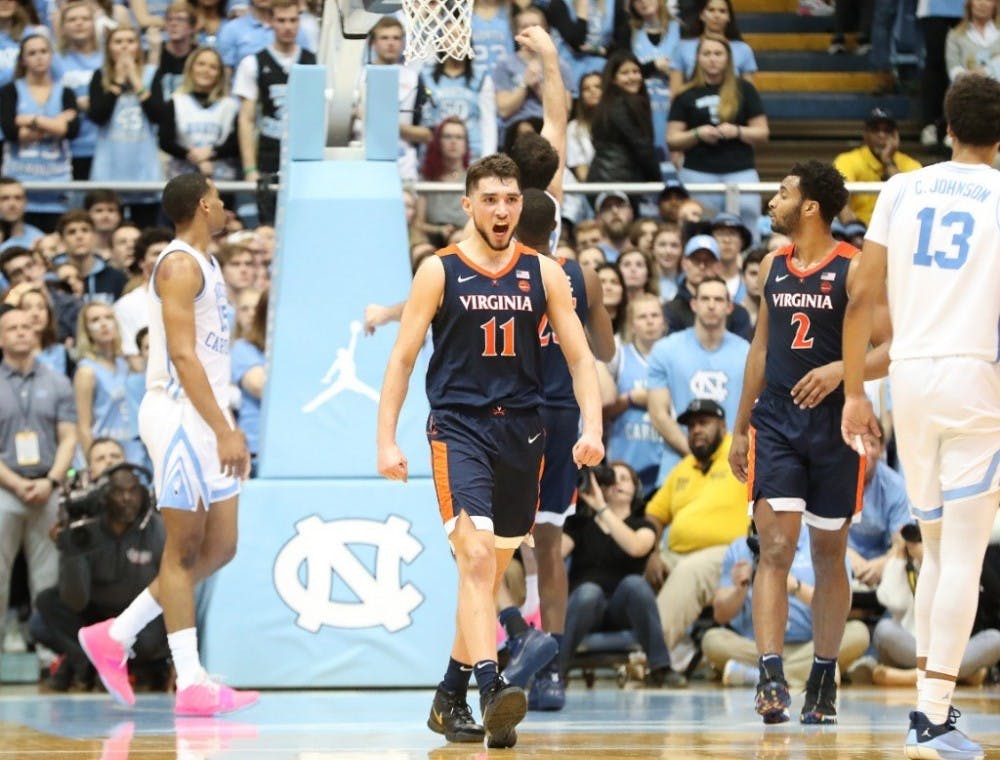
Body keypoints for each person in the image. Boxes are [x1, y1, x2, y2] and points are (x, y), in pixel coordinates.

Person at [376, 154, 604, 749]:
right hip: (459, 428)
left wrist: (593, 428)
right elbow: (402, 358)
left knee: (487, 574)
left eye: (511, 199)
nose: (503, 209)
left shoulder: (544, 273)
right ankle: (489, 686)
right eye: (491, 199)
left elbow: (582, 359)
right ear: (468, 205)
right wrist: (386, 439)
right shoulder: (439, 270)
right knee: (474, 561)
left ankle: (449, 695)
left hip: (524, 434)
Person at [840, 73, 1000, 759]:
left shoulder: (902, 188)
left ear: (946, 124)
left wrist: (854, 390)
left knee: (937, 551)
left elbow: (859, 291)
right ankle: (931, 718)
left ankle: (932, 709)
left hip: (908, 375)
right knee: (962, 554)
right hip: (973, 373)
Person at [77, 173, 256, 717]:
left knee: (221, 546)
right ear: (204, 204)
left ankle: (116, 634)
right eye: (220, 199)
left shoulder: (208, 263)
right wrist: (223, 427)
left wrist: (222, 421)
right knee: (179, 552)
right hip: (179, 414)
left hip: (207, 413)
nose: (225, 206)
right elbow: (181, 357)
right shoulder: (179, 265)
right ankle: (192, 681)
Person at [728, 160, 890, 725]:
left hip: (834, 426)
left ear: (811, 207)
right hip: (775, 421)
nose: (772, 202)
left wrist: (842, 376)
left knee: (828, 554)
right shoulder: (773, 264)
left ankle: (823, 673)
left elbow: (891, 347)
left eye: (782, 193)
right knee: (773, 548)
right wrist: (739, 426)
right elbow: (758, 351)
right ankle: (770, 674)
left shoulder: (854, 267)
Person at [496, 188, 614, 712]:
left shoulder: (501, 273)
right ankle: (553, 673)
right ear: (557, 229)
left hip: (514, 412)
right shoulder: (581, 277)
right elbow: (605, 351)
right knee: (549, 542)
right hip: (565, 415)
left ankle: (516, 634)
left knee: (487, 541)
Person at [30, 439, 168, 692]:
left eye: (115, 455)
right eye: (101, 459)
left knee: (153, 640)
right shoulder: (82, 522)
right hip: (94, 613)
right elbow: (76, 601)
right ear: (93, 474)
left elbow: (170, 585)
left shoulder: (153, 523)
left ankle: (82, 666)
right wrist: (71, 546)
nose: (110, 463)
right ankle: (89, 665)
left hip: (138, 614)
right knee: (43, 612)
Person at [644, 398, 750, 683]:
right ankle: (661, 651)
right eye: (691, 426)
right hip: (675, 553)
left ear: (723, 426)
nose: (696, 431)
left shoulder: (742, 454)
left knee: (688, 572)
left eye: (704, 423)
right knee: (635, 577)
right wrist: (652, 552)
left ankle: (649, 658)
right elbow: (653, 515)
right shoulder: (683, 468)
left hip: (728, 553)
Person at [0, 307, 77, 667]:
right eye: (12, 328)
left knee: (48, 575)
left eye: (27, 327)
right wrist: (15, 482)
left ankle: (49, 650)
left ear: (37, 334)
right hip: (4, 488)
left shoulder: (58, 381)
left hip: (47, 487)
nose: (20, 333)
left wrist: (50, 481)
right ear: (1, 338)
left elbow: (69, 437)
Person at [703, 528, 870, 689]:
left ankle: (760, 677)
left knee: (859, 633)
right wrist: (740, 589)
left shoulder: (825, 544)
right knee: (712, 640)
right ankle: (809, 673)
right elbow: (720, 615)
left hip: (810, 645)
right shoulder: (741, 548)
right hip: (756, 648)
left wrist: (795, 587)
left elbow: (838, 611)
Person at [559, 461, 671, 683]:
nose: (617, 482)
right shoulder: (580, 523)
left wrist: (603, 510)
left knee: (635, 584)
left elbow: (637, 547)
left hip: (624, 609)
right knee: (589, 592)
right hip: (585, 608)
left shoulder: (643, 526)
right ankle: (556, 671)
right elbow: (555, 553)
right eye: (611, 478)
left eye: (624, 478)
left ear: (635, 489)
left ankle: (661, 668)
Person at [649, 273, 750, 482]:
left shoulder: (746, 352)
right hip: (679, 463)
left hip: (731, 469)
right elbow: (658, 414)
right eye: (705, 299)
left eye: (719, 299)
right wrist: (696, 453)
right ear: (694, 304)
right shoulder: (665, 350)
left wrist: (723, 459)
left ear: (730, 307)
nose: (711, 305)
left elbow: (752, 413)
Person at [666, 34, 768, 236]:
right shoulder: (686, 94)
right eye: (707, 54)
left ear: (728, 58)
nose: (712, 58)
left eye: (718, 53)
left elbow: (763, 133)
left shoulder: (745, 90)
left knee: (746, 230)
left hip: (740, 171)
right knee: (701, 229)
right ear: (698, 58)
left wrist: (737, 131)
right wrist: (697, 133)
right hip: (698, 173)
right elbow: (672, 140)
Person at [0, 34, 79, 231]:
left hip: (57, 186)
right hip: (19, 185)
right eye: (32, 53)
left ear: (52, 56)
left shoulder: (65, 92)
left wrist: (29, 120)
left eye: (44, 51)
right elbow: (10, 131)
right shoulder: (10, 91)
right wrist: (55, 125)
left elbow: (71, 131)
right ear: (23, 59)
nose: (39, 57)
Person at [233, 0, 316, 187]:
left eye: (293, 20)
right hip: (269, 151)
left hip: (304, 152)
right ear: (270, 21)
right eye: (282, 20)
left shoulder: (314, 61)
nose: (288, 26)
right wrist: (249, 168)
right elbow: (246, 119)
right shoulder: (252, 63)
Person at [87, 26, 163, 229]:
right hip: (109, 169)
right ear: (109, 48)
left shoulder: (151, 74)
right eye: (118, 41)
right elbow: (98, 116)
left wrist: (136, 82)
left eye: (130, 41)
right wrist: (118, 81)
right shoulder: (100, 76)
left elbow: (158, 115)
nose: (124, 47)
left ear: (139, 47)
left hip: (144, 170)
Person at [601, 292, 667, 497]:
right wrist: (630, 399)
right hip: (626, 462)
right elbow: (601, 410)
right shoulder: (618, 357)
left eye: (655, 315)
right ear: (632, 323)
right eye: (642, 317)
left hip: (665, 463)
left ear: (663, 321)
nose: (650, 322)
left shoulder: (675, 357)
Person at [586, 50, 662, 191]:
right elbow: (642, 146)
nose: (633, 77)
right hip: (618, 182)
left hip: (603, 179)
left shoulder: (607, 104)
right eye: (625, 73)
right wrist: (658, 181)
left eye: (636, 71)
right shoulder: (624, 103)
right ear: (613, 78)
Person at [832, 108, 921, 227]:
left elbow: (914, 202)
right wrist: (853, 230)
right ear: (865, 135)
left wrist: (888, 162)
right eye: (875, 130)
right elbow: (841, 203)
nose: (882, 135)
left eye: (887, 130)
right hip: (858, 229)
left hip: (898, 230)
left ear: (895, 135)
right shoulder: (847, 160)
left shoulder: (911, 165)